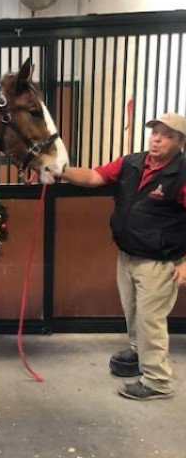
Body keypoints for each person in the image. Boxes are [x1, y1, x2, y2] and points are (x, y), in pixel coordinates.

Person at [61, 112, 186, 400]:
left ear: (179, 142)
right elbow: (94, 176)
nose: (156, 138)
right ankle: (137, 353)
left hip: (159, 261)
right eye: (155, 131)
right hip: (128, 254)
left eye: (166, 135)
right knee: (133, 313)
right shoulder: (132, 163)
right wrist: (61, 170)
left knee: (150, 320)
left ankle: (157, 381)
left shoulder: (180, 174)